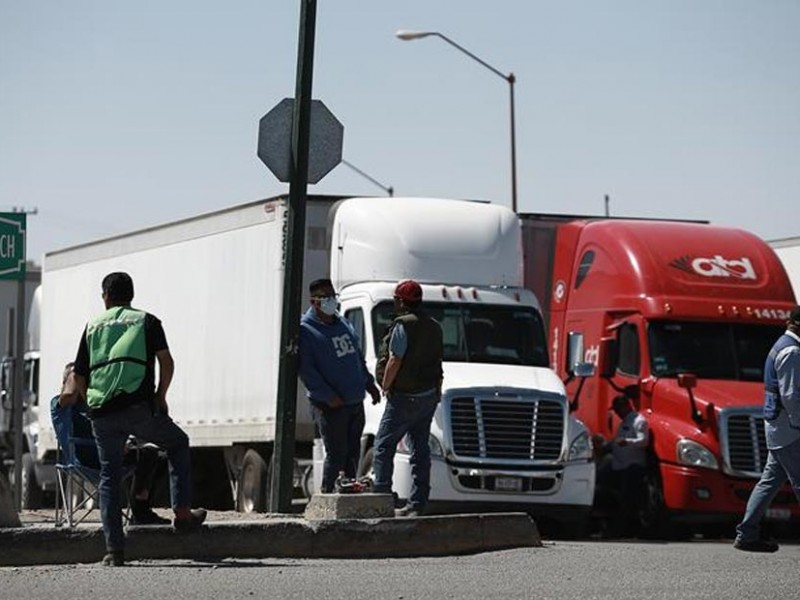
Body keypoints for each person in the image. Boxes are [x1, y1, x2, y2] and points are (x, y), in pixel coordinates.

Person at [59, 272, 206, 567]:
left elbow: (78, 374)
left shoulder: (93, 326)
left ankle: (114, 551)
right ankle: (182, 515)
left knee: (109, 477)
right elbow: (166, 361)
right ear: (131, 295)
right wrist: (161, 396)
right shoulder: (147, 321)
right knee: (178, 442)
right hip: (138, 408)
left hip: (102, 414)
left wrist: (92, 405)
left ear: (106, 297)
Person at [55, 362, 169, 526]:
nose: (84, 381)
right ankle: (140, 512)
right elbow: (68, 396)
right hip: (88, 459)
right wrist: (75, 374)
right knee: (148, 456)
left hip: (106, 452)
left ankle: (140, 507)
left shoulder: (92, 403)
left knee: (156, 455)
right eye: (78, 378)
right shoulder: (61, 405)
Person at [298, 278, 380, 493]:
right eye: (326, 298)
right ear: (314, 302)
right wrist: (327, 396)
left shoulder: (343, 323)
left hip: (354, 402)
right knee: (336, 455)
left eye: (333, 296)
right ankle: (328, 496)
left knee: (353, 454)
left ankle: (349, 494)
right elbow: (307, 371)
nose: (332, 301)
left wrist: (369, 384)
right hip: (331, 406)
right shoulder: (306, 331)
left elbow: (356, 358)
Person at [372, 280, 443, 517]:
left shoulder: (404, 326)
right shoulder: (434, 326)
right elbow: (437, 363)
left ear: (401, 301)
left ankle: (381, 496)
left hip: (404, 398)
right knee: (420, 450)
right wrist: (436, 391)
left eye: (396, 299)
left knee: (383, 445)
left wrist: (385, 384)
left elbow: (395, 359)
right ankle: (417, 503)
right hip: (428, 397)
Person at [734, 306, 800, 553]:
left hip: (779, 429)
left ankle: (747, 534)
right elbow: (792, 396)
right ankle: (747, 534)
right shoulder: (792, 351)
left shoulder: (780, 345)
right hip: (791, 430)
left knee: (769, 482)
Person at [593, 394, 650, 536]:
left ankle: (627, 530)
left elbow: (643, 441)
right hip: (620, 466)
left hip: (632, 467)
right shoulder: (625, 422)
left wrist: (628, 442)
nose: (617, 412)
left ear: (626, 406)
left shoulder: (639, 421)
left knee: (628, 501)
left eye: (618, 408)